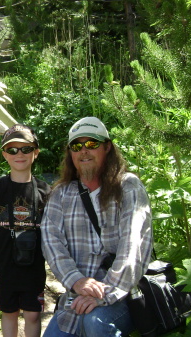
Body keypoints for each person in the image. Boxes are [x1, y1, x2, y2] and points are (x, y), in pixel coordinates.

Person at [41, 116, 153, 337]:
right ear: (70, 153)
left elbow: (133, 249)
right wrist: (77, 280)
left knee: (95, 323)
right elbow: (50, 240)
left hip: (121, 294)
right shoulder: (61, 194)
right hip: (75, 300)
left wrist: (104, 293)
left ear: (107, 147)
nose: (84, 151)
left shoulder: (128, 187)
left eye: (92, 144)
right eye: (77, 145)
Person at [0, 124, 51, 337]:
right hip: (3, 265)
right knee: (9, 312)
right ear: (5, 155)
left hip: (34, 264)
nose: (19, 154)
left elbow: (54, 232)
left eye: (26, 149)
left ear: (35, 153)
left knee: (33, 314)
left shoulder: (46, 191)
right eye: (13, 149)